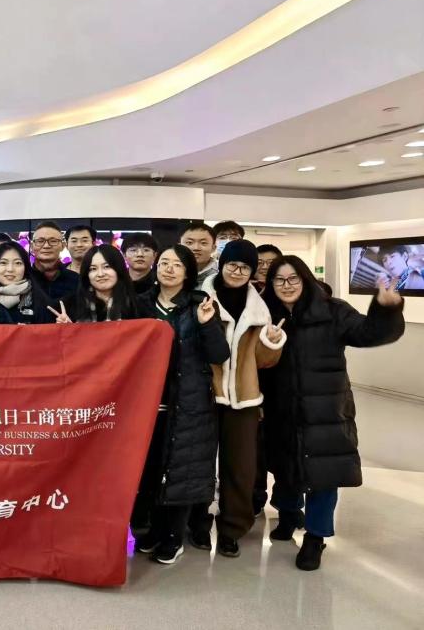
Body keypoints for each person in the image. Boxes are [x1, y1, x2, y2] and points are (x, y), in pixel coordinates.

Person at [260, 255, 404, 571]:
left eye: (293, 278)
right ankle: (288, 515)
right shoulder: (265, 313)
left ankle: (316, 537)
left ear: (306, 279)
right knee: (284, 466)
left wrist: (386, 308)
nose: (286, 285)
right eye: (279, 280)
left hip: (325, 409)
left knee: (324, 474)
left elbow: (369, 333)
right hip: (281, 408)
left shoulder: (332, 311)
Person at [130, 245, 229, 565]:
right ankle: (152, 531)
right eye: (164, 263)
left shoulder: (201, 304)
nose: (169, 269)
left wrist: (206, 324)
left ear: (188, 272)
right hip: (146, 402)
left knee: (181, 470)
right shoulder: (140, 303)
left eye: (177, 264)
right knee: (149, 471)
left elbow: (219, 355)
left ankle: (174, 537)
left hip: (188, 401)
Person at [187, 240, 286, 558]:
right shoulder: (200, 297)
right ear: (222, 264)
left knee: (241, 468)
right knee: (199, 464)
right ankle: (198, 523)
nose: (238, 271)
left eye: (245, 267)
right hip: (205, 394)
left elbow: (263, 362)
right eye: (232, 265)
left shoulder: (259, 309)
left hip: (244, 399)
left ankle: (232, 529)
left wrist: (271, 343)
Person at [55, 245, 140, 323]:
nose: (100, 274)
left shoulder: (136, 303)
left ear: (118, 269)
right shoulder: (71, 304)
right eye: (93, 269)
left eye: (106, 267)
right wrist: (69, 329)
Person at [0, 242, 56, 325]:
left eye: (18, 263)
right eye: (3, 263)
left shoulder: (39, 296)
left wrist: (61, 324)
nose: (10, 269)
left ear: (25, 267)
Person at [29, 221, 80, 300]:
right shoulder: (24, 278)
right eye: (40, 241)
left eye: (53, 241)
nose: (46, 246)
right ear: (32, 246)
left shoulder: (76, 280)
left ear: (63, 246)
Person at [180, 222, 217, 288]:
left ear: (213, 248)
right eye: (189, 242)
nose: (196, 248)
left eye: (203, 243)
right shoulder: (168, 272)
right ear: (179, 246)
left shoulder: (221, 275)